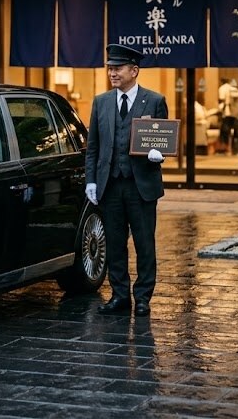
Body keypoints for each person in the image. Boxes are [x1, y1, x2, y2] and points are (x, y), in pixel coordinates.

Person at [84, 43, 168, 317]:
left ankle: (143, 297)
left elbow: (163, 141)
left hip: (141, 186)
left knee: (145, 243)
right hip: (110, 185)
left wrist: (159, 154)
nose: (112, 73)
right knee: (115, 243)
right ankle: (120, 295)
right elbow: (93, 147)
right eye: (110, 68)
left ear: (134, 70)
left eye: (117, 68)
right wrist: (91, 181)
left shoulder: (154, 101)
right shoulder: (101, 102)